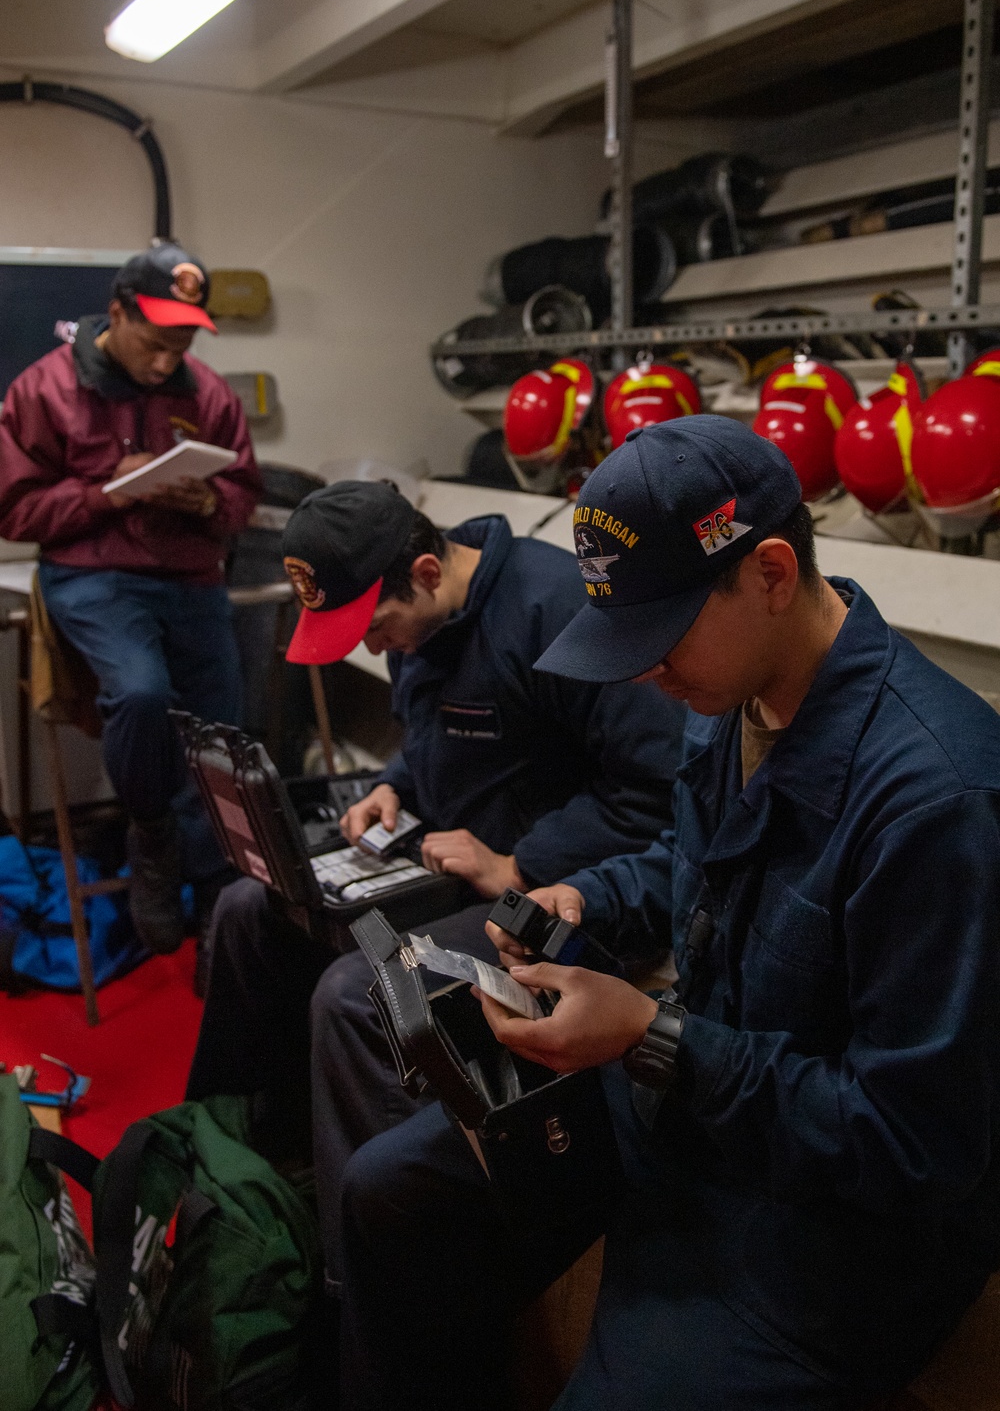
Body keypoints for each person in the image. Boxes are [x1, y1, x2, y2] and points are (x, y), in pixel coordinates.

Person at [337, 416, 1000, 1411]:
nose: (643, 671)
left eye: (661, 635)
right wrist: (587, 896)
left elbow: (910, 1148)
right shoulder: (731, 694)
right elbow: (691, 860)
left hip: (833, 1221)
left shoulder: (941, 805)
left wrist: (655, 1037)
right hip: (694, 1105)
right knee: (390, 1192)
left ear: (771, 572)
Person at [188, 477, 686, 1283]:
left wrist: (523, 865)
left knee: (357, 995)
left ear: (425, 571)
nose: (375, 650)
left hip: (572, 894)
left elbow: (657, 791)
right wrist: (398, 784)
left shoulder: (554, 610)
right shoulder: (427, 623)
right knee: (253, 908)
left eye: (377, 626)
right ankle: (246, 1171)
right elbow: (441, 729)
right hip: (456, 862)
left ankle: (360, 1266)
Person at [0, 243, 261, 955]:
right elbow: (14, 512)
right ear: (116, 313)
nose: (166, 359)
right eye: (155, 340)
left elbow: (243, 495)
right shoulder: (43, 389)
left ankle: (219, 895)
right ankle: (150, 835)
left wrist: (206, 495)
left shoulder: (207, 393)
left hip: (189, 575)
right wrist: (106, 489)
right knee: (142, 693)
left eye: (182, 342)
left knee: (221, 730)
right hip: (93, 576)